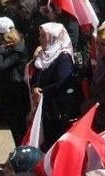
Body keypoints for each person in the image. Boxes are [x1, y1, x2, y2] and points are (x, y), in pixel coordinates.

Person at [31, 22, 81, 151]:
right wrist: (35, 87)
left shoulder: (63, 57)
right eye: (40, 36)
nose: (40, 39)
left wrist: (42, 92)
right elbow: (37, 74)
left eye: (43, 36)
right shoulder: (44, 54)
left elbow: (62, 83)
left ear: (53, 37)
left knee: (55, 145)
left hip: (57, 110)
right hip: (45, 107)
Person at [0, 16, 30, 145]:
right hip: (9, 91)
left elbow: (1, 66)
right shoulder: (12, 46)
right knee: (14, 125)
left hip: (16, 93)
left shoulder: (18, 49)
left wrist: (0, 51)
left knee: (19, 127)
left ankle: (22, 149)